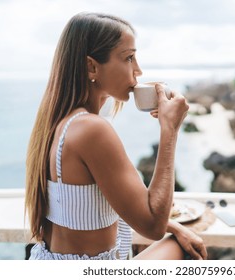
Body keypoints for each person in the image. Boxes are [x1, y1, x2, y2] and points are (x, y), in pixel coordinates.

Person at [25, 12, 207, 260]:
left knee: (180, 238)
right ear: (91, 66)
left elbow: (106, 203)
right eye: (129, 58)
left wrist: (174, 225)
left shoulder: (58, 122)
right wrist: (170, 130)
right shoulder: (92, 129)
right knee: (187, 251)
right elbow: (152, 225)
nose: (138, 70)